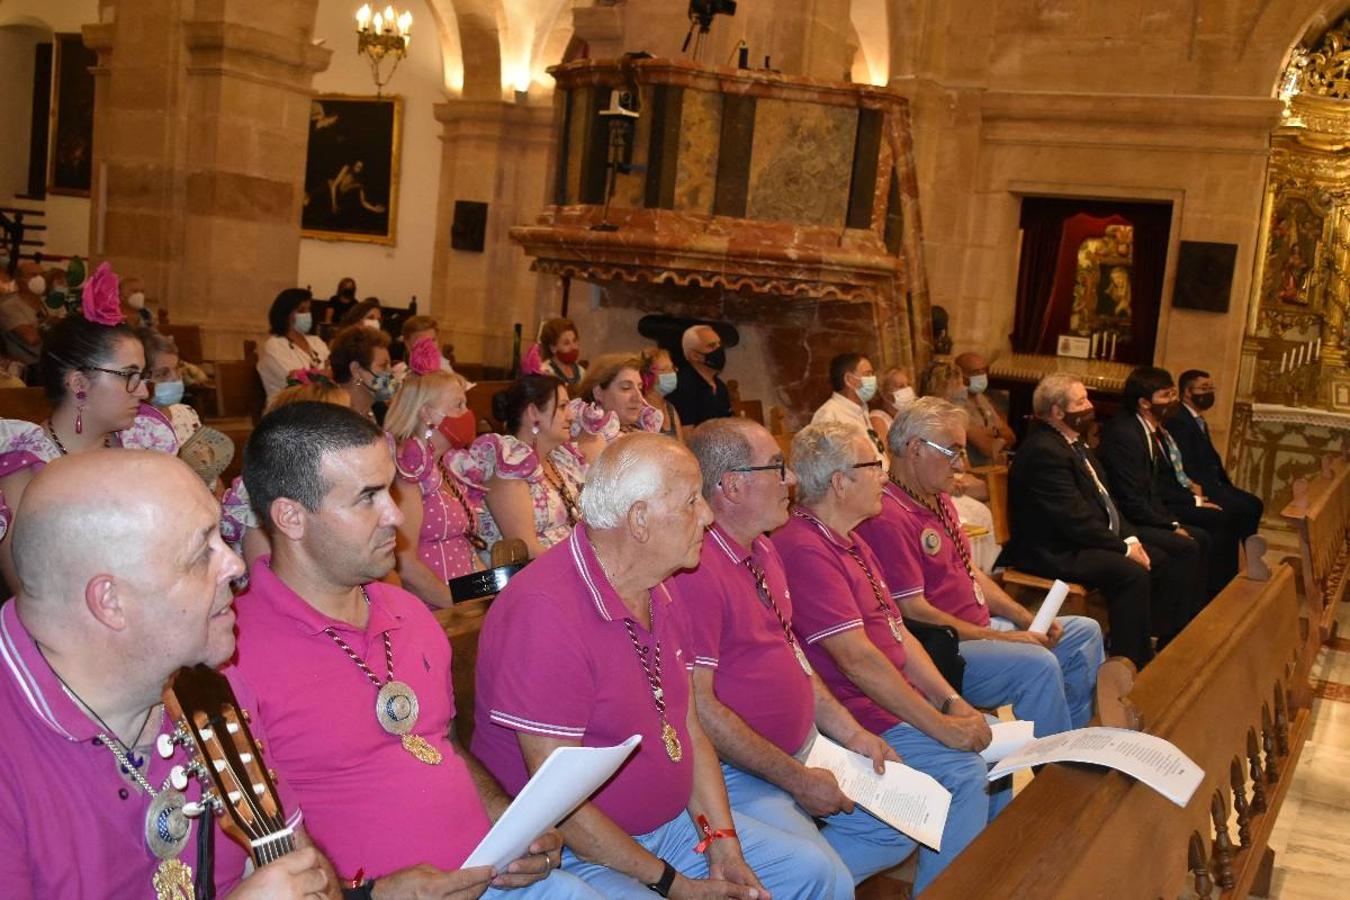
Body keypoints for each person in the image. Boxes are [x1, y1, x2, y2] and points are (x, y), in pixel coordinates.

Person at [233, 402, 589, 898]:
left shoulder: (408, 612)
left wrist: (510, 826)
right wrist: (372, 894)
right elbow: (256, 856)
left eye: (391, 490)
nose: (396, 516)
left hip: (492, 876)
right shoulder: (233, 655)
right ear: (291, 516)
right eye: (368, 498)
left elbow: (443, 744)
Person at [472, 432, 838, 898]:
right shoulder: (544, 612)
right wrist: (674, 884)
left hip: (675, 829)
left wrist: (724, 843)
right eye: (690, 502)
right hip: (579, 854)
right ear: (639, 519)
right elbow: (560, 807)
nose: (707, 516)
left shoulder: (657, 585)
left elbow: (686, 726)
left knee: (814, 873)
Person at [0, 450, 334, 898]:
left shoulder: (209, 686)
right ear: (110, 601)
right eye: (202, 553)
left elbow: (303, 871)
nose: (236, 565)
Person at [675, 418, 916, 895]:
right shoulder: (697, 569)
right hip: (741, 770)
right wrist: (798, 779)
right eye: (777, 468)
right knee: (818, 873)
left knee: (895, 828)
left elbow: (796, 660)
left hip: (804, 747)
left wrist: (853, 734)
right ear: (732, 486)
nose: (791, 481)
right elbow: (700, 710)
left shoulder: (763, 548)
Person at [770, 421, 997, 892]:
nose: (884, 473)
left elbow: (901, 637)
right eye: (872, 465)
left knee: (986, 756)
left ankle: (990, 876)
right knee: (961, 773)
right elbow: (857, 661)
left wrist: (952, 702)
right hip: (859, 715)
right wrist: (941, 729)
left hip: (891, 704)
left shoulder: (850, 538)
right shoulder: (804, 547)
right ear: (839, 482)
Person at [857, 398, 1104, 733]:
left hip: (982, 628)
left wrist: (1022, 617)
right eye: (952, 451)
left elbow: (970, 570)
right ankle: (1057, 772)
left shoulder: (937, 497)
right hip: (945, 650)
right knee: (1039, 664)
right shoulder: (888, 515)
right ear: (915, 449)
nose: (961, 464)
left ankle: (1079, 740)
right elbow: (911, 610)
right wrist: (1000, 638)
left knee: (1084, 633)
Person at [1002, 373, 1206, 667]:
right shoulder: (1044, 450)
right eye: (1081, 401)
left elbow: (1107, 501)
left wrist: (1130, 539)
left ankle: (1146, 638)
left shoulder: (1074, 443)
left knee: (1158, 557)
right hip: (1050, 548)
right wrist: (1122, 549)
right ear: (1058, 412)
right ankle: (1127, 661)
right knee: (1129, 571)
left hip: (1075, 538)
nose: (1089, 406)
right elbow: (1073, 519)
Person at [0, 266, 179, 588]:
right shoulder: (23, 471)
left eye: (143, 376)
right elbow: (29, 592)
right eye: (129, 376)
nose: (143, 391)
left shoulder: (145, 440)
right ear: (79, 383)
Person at [1097, 366, 1237, 598]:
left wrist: (1171, 522)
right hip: (1127, 518)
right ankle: (1169, 626)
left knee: (1199, 538)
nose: (1173, 401)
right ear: (1144, 403)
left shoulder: (1146, 428)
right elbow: (1132, 498)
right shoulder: (1126, 434)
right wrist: (1172, 524)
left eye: (1173, 393)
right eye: (1166, 396)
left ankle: (1193, 611)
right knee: (1187, 546)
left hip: (1147, 509)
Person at [386, 338, 485, 605]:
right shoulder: (408, 469)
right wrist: (461, 608)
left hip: (463, 597)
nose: (467, 414)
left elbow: (465, 545)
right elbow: (405, 566)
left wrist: (490, 596)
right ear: (428, 414)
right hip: (432, 606)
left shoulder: (445, 463)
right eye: (458, 405)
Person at [451, 375, 583, 560]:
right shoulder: (507, 462)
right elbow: (525, 548)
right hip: (530, 575)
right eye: (562, 407)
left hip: (568, 563)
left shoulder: (558, 458)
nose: (571, 415)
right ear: (533, 413)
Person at [915, 360, 999, 571]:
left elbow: (963, 465)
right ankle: (968, 574)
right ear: (942, 392)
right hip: (930, 490)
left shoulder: (956, 420)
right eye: (957, 392)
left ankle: (984, 576)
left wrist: (963, 479)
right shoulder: (924, 423)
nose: (963, 393)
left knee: (992, 498)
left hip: (951, 483)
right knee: (980, 512)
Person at [1171, 369, 1265, 554]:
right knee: (1243, 508)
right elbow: (1187, 462)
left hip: (1214, 482)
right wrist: (1202, 490)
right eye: (1203, 388)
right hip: (1201, 486)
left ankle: (1248, 556)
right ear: (1188, 392)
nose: (1208, 393)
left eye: (1211, 388)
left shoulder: (1197, 419)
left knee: (1254, 503)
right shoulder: (1179, 419)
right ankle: (1242, 559)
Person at [570, 353, 663, 463]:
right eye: (626, 388)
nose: (638, 398)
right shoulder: (592, 439)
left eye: (640, 388)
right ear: (598, 392)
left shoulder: (642, 427)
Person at [256, 288, 329, 402]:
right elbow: (296, 381)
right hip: (286, 408)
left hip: (318, 404)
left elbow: (333, 371)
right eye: (301, 310)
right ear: (284, 313)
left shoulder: (316, 342)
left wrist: (322, 376)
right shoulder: (275, 345)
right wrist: (324, 376)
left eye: (308, 310)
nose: (307, 315)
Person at [811, 353, 885, 459]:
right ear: (849, 380)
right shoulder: (829, 416)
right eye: (867, 374)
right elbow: (827, 464)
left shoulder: (861, 410)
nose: (873, 379)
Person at [953, 352, 1017, 467]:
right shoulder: (957, 406)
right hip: (976, 471)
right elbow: (987, 448)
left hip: (995, 468)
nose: (982, 376)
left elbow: (1011, 436)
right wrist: (998, 435)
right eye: (976, 372)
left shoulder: (981, 398)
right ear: (961, 375)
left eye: (984, 370)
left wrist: (993, 433)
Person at [667, 324, 732, 426]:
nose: (719, 349)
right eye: (711, 346)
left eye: (719, 344)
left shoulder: (720, 386)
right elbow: (685, 433)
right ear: (694, 355)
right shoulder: (680, 386)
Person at [329, 324, 394, 422]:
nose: (390, 372)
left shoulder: (381, 413)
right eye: (383, 366)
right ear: (356, 370)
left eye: (390, 366)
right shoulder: (334, 419)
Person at [525, 317, 585, 389]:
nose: (573, 347)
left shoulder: (581, 372)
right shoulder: (544, 372)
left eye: (574, 341)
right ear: (553, 348)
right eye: (566, 343)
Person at [639, 345, 683, 439]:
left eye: (672, 368)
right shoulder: (639, 408)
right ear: (647, 376)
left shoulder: (670, 408)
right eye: (664, 370)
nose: (672, 374)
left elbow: (681, 446)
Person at [869, 366, 916, 441]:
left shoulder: (906, 416)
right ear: (884, 394)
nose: (907, 389)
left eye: (908, 384)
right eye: (901, 386)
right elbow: (885, 452)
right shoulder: (877, 419)